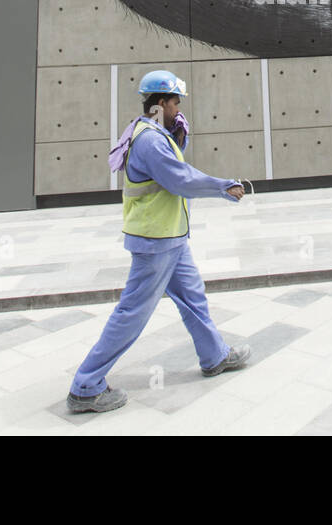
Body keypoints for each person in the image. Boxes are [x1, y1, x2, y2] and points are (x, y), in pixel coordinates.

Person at [67, 69, 252, 414]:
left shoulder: (153, 132)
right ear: (161, 102)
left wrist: (177, 136)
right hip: (155, 241)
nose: (179, 107)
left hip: (172, 239)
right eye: (175, 101)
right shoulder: (151, 140)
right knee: (133, 312)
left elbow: (169, 168)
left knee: (193, 298)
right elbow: (179, 179)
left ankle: (214, 356)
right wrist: (223, 185)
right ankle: (86, 385)